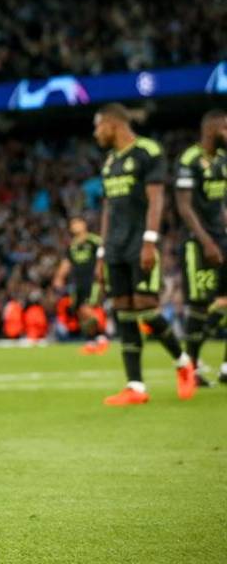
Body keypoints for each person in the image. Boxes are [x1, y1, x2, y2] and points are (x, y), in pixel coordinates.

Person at [92, 104, 197, 405]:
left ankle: (182, 361)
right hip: (115, 246)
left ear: (112, 124)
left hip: (140, 242)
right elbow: (108, 208)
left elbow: (157, 198)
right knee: (123, 311)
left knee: (147, 309)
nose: (95, 133)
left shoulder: (147, 151)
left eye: (98, 126)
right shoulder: (110, 161)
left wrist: (150, 241)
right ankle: (135, 386)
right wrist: (102, 253)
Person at [174, 109, 227, 385]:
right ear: (212, 130)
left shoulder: (222, 160)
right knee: (199, 305)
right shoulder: (189, 159)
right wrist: (207, 241)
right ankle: (190, 368)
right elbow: (184, 206)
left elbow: (221, 205)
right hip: (198, 242)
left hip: (222, 237)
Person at [50, 216, 106, 354]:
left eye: (77, 223)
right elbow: (66, 263)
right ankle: (92, 341)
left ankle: (102, 338)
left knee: (88, 309)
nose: (75, 226)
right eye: (72, 224)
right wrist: (59, 277)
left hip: (92, 281)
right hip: (77, 282)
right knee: (80, 312)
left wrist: (102, 274)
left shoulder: (95, 241)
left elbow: (103, 258)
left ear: (84, 224)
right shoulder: (72, 246)